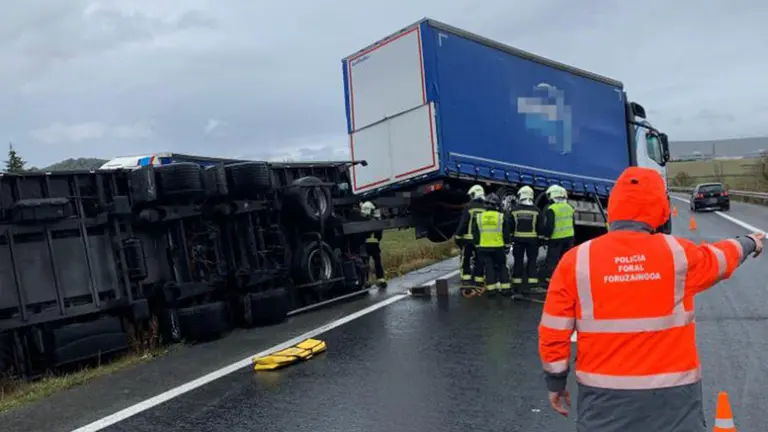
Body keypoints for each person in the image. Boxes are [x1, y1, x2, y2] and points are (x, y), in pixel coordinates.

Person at [537, 167, 764, 432]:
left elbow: (553, 331)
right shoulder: (677, 253)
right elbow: (721, 258)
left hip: (603, 397)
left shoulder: (576, 261)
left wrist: (556, 383)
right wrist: (749, 242)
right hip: (673, 398)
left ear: (614, 206)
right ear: (660, 207)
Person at [472, 193, 513, 297]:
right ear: (496, 205)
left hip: (484, 248)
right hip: (498, 247)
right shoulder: (501, 217)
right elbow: (506, 233)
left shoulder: (479, 217)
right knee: (502, 267)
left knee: (488, 268)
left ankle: (491, 291)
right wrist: (507, 246)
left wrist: (477, 245)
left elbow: (475, 233)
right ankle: (506, 290)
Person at [538, 185, 575, 291]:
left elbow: (550, 226)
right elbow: (573, 223)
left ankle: (549, 280)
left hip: (556, 239)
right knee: (565, 260)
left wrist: (546, 237)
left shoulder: (552, 209)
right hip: (569, 238)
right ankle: (566, 280)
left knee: (552, 260)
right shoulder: (570, 208)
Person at [454, 184, 487, 292]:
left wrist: (458, 236)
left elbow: (463, 223)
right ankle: (479, 280)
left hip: (468, 239)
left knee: (466, 260)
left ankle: (466, 281)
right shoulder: (485, 208)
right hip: (481, 240)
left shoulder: (469, 207)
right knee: (479, 260)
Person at [509, 186, 541, 294]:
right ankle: (532, 283)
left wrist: (509, 238)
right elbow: (540, 227)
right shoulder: (537, 210)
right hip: (532, 241)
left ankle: (517, 283)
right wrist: (541, 240)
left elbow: (510, 226)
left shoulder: (514, 210)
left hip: (518, 240)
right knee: (532, 261)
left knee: (518, 261)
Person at [360, 201, 387, 288]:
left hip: (365, 246)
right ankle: (381, 279)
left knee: (365, 264)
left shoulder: (362, 222)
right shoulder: (375, 221)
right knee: (377, 262)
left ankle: (366, 281)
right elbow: (380, 234)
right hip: (375, 246)